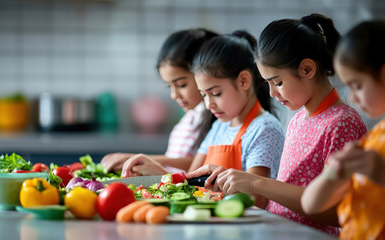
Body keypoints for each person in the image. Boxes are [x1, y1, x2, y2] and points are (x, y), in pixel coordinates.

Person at [186, 14, 367, 236]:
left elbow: (340, 212)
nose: (272, 93)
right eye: (268, 84)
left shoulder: (342, 123)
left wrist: (255, 184)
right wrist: (236, 178)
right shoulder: (299, 120)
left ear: (307, 69)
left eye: (278, 82)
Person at [123, 31, 285, 209]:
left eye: (215, 93)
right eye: (203, 95)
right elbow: (192, 182)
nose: (208, 105)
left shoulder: (264, 129)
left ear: (244, 81)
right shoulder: (219, 127)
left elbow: (255, 200)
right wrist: (158, 172)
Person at [301, 20, 385, 240]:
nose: (354, 98)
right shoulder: (372, 140)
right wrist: (333, 174)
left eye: (357, 85)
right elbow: (311, 204)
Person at [101, 29, 218, 174]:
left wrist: (147, 160)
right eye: (169, 86)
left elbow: (201, 167)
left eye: (181, 84)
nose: (174, 95)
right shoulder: (191, 118)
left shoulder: (219, 120)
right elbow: (184, 161)